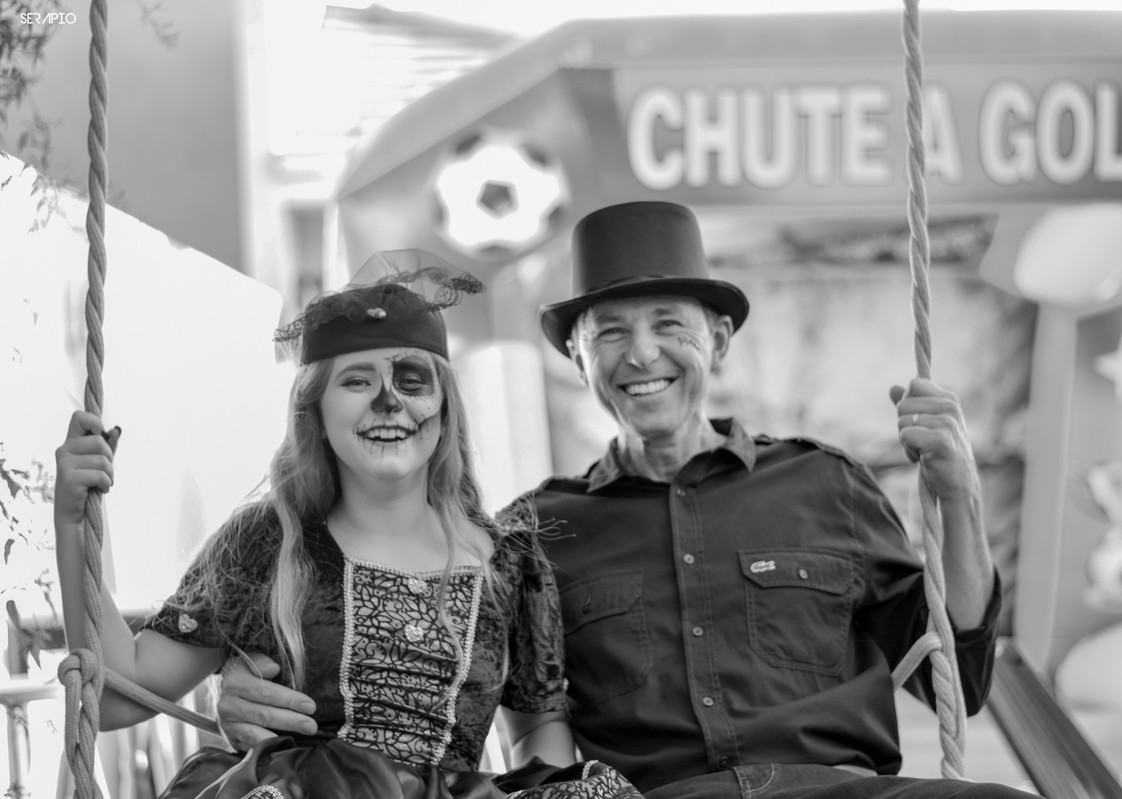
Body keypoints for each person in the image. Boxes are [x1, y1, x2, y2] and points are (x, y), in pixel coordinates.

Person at [214, 204, 1030, 799]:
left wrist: (959, 494)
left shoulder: (828, 485)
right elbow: (422, 682)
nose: (641, 355)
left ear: (718, 339)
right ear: (579, 359)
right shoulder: (529, 537)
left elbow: (957, 678)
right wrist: (250, 691)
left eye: (669, 325)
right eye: (609, 333)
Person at [53, 249, 639, 799]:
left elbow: (536, 729)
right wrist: (73, 522)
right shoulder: (267, 543)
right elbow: (119, 695)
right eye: (357, 381)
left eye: (412, 380)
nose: (388, 402)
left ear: (445, 408)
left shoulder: (510, 563)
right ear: (316, 410)